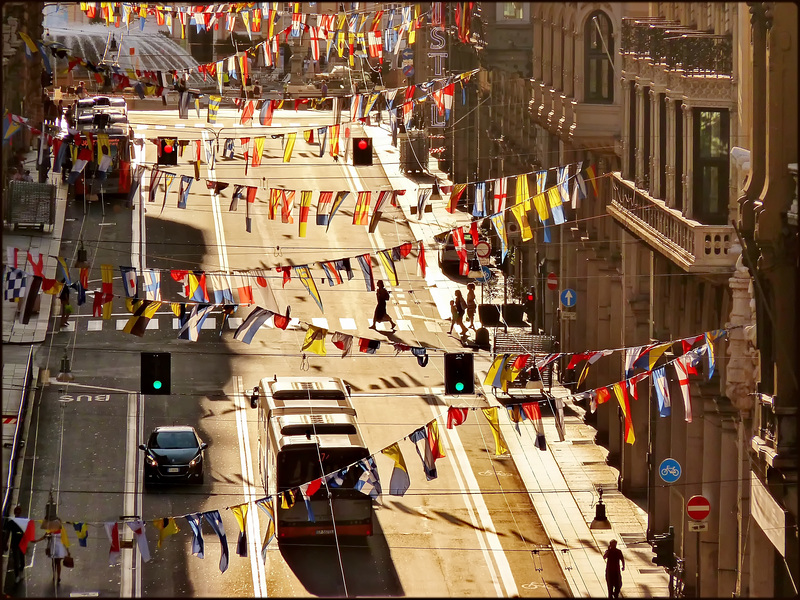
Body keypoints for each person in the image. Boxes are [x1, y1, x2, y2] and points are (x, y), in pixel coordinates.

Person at [2, 506, 28, 583]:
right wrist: (5, 544)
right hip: (15, 543)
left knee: (21, 557)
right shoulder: (11, 523)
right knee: (16, 560)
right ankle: (17, 575)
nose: (17, 514)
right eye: (16, 512)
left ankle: (21, 568)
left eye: (18, 512)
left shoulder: (23, 522)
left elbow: (27, 532)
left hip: (21, 542)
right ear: (14, 513)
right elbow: (7, 534)